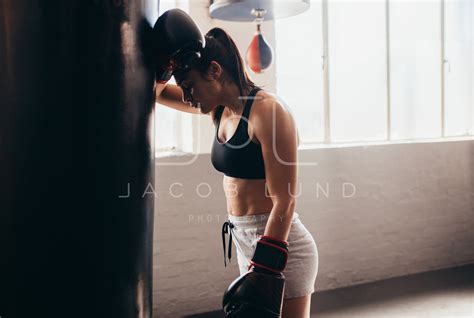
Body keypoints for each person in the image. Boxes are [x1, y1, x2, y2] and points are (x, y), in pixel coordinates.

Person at [153, 9, 318, 318]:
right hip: (246, 243)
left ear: (214, 71)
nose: (187, 97)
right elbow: (157, 92)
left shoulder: (267, 112)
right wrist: (164, 63)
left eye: (189, 85)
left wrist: (265, 266)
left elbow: (285, 200)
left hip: (281, 247)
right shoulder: (218, 109)